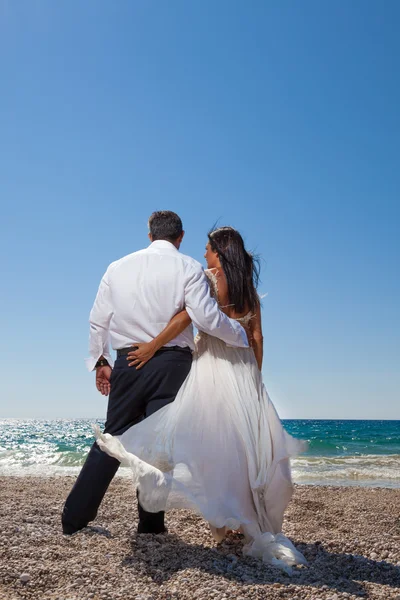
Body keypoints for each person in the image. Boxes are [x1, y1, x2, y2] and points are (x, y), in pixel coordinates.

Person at [96, 226, 307, 571]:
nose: (204, 253)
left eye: (208, 248)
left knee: (212, 445)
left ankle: (222, 525)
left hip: (211, 369)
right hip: (244, 373)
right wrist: (255, 377)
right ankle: (243, 518)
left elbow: (184, 318)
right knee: (246, 448)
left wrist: (151, 346)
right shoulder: (247, 290)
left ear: (219, 253)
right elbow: (257, 338)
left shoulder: (206, 280)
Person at [62, 212, 249, 535]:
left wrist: (100, 362)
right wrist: (241, 336)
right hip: (172, 365)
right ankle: (150, 524)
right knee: (159, 444)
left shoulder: (117, 267)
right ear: (180, 237)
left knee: (113, 436)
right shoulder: (188, 266)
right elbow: (205, 318)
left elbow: (98, 320)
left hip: (128, 361)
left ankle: (74, 519)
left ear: (149, 235)